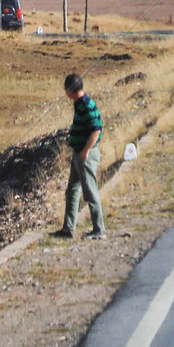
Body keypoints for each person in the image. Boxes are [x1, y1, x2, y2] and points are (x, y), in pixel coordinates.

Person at [55, 72, 106, 240]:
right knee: (72, 190)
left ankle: (99, 230)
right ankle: (68, 228)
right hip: (78, 153)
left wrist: (86, 151)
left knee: (90, 191)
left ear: (70, 89)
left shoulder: (86, 104)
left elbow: (96, 129)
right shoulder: (78, 103)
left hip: (86, 155)